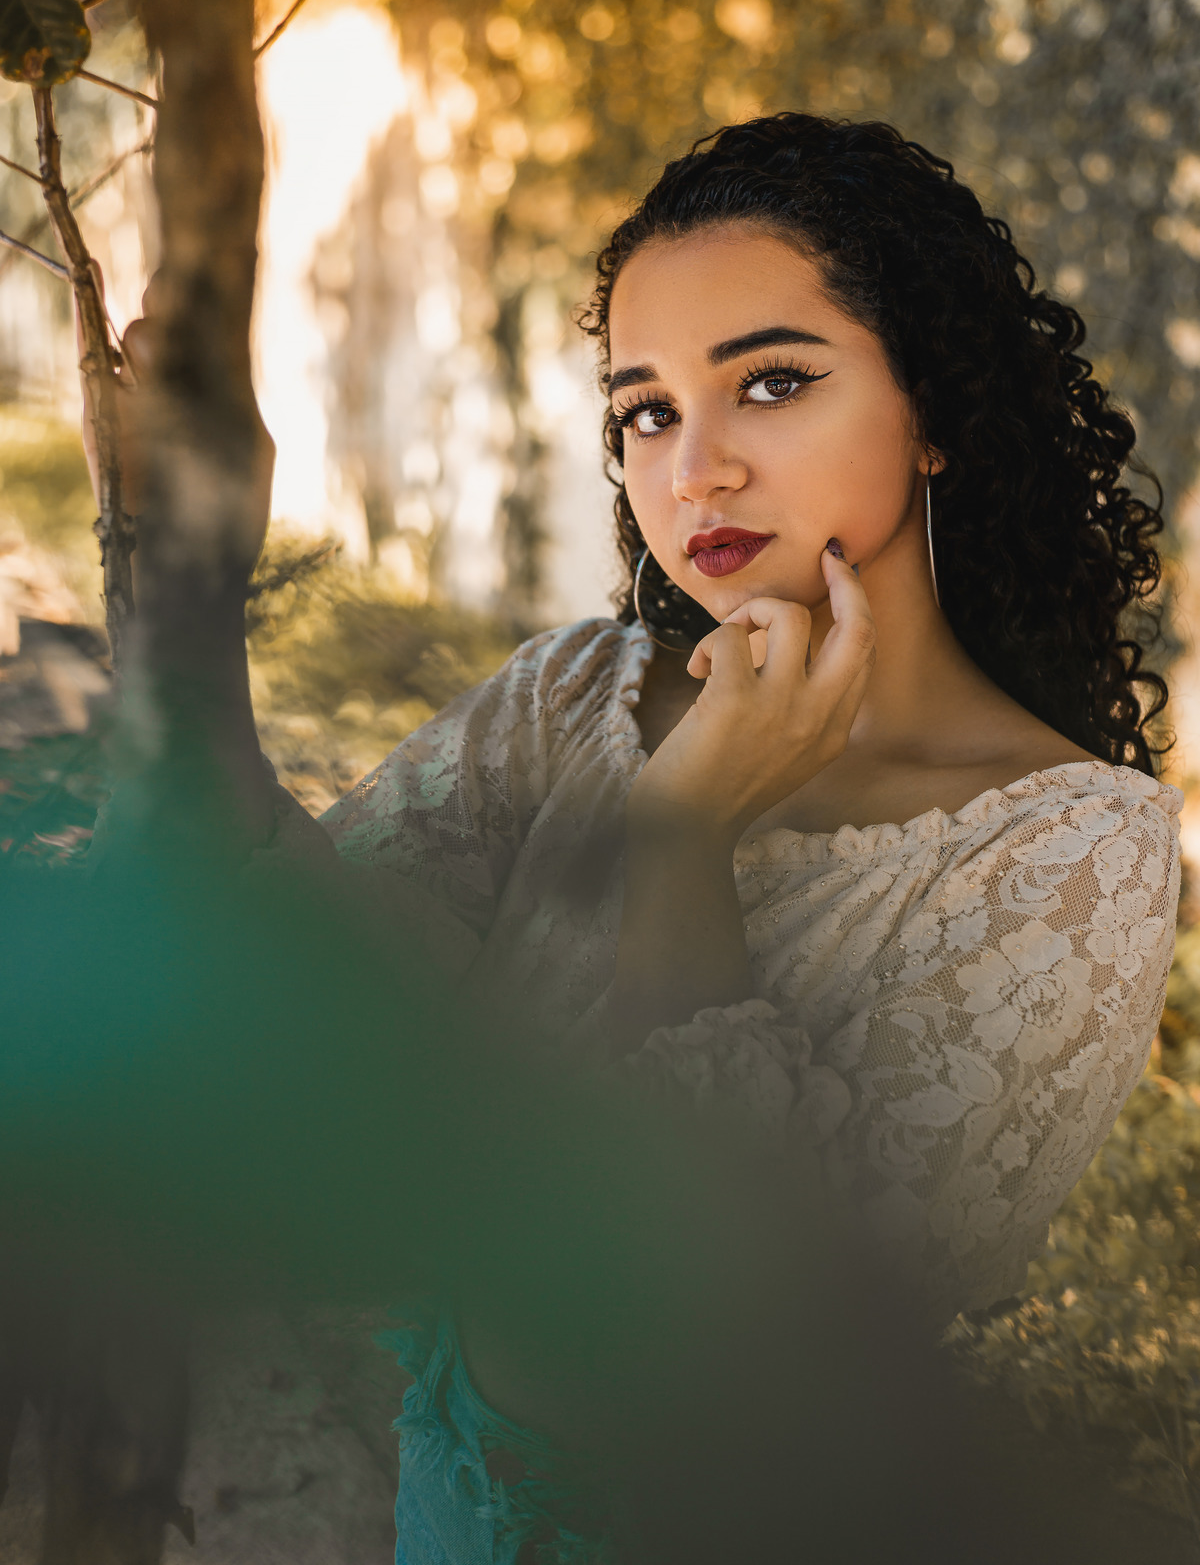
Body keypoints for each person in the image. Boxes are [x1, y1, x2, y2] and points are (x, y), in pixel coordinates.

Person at [99, 112, 1181, 1563]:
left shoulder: (1072, 853)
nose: (696, 470)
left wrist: (682, 842)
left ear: (933, 412)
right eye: (646, 410)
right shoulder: (573, 698)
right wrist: (195, 573)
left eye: (772, 384)